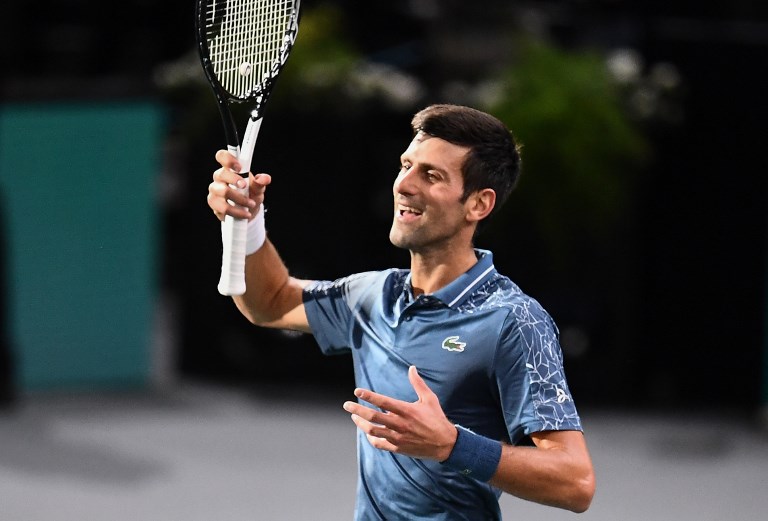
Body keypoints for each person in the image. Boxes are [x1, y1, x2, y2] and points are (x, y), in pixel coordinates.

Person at [207, 104, 595, 519]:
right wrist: (246, 223)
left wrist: (451, 445)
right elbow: (271, 302)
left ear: (478, 204)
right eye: (405, 166)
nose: (404, 184)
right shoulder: (373, 294)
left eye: (431, 175)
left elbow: (575, 482)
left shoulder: (514, 320)